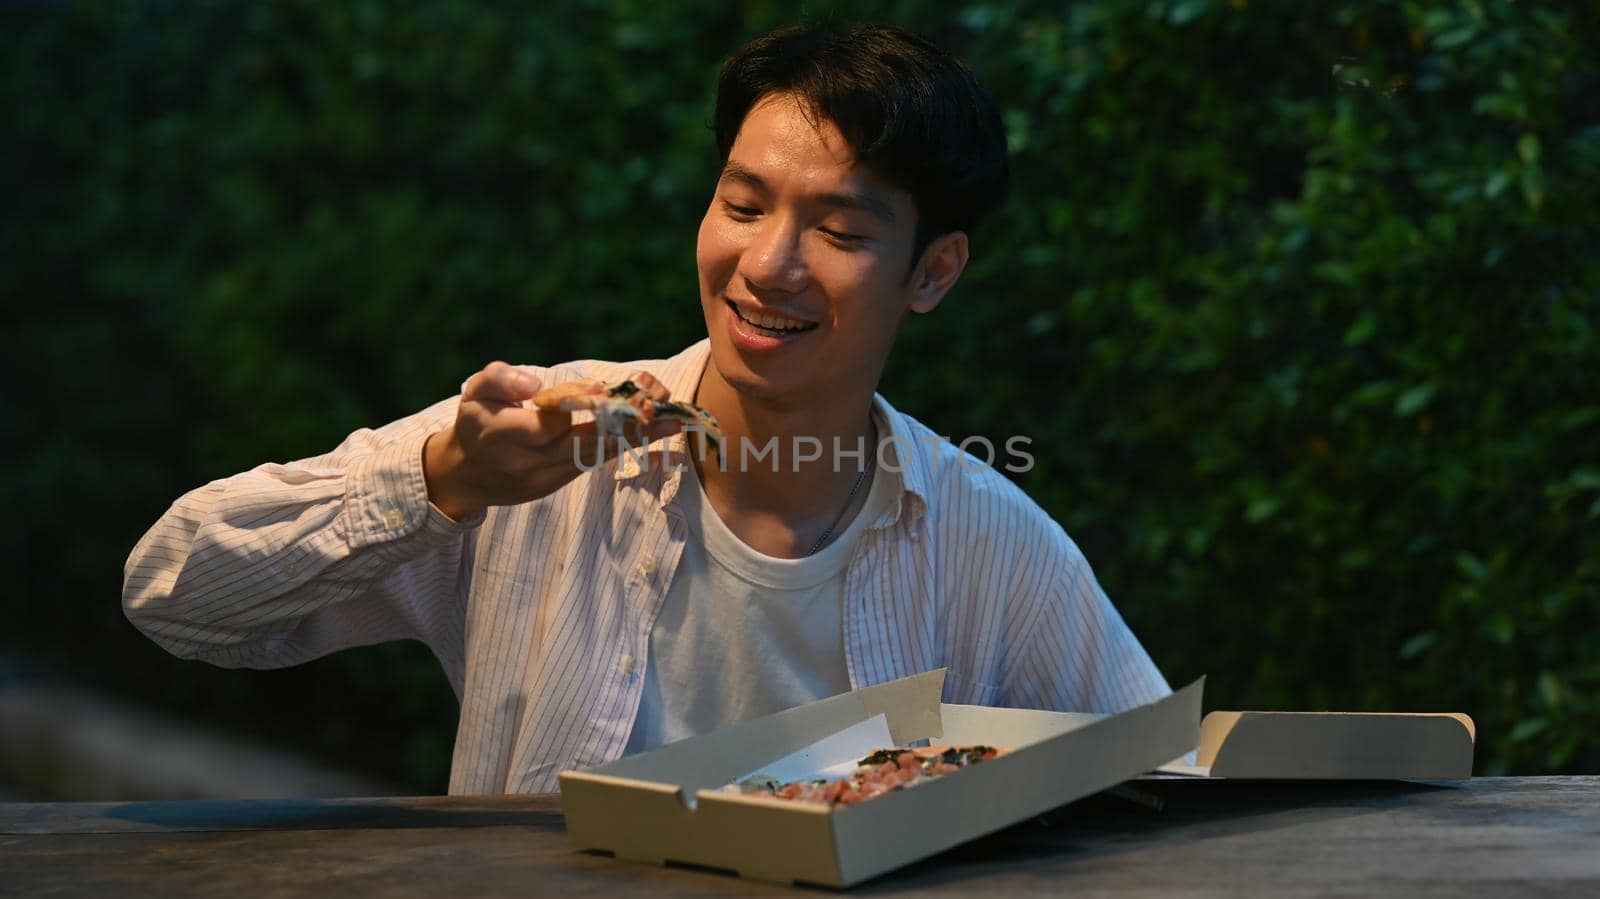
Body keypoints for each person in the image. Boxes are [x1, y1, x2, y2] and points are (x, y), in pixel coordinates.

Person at [123, 23, 1171, 794]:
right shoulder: (539, 441)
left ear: (933, 272)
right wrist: (445, 480)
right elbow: (174, 595)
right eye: (742, 202)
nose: (767, 265)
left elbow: (1167, 778)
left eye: (842, 231)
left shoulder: (987, 536)